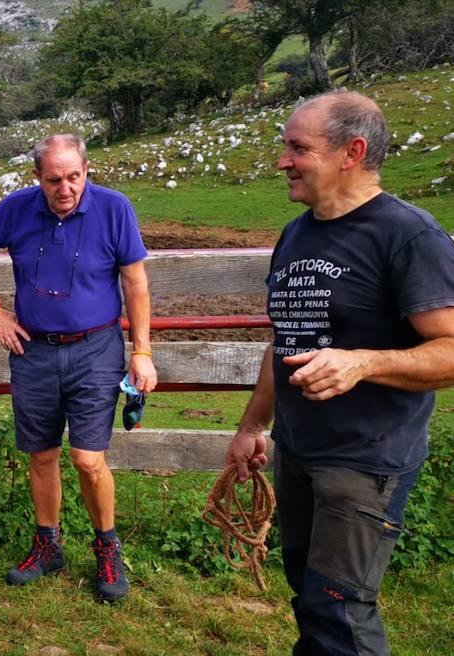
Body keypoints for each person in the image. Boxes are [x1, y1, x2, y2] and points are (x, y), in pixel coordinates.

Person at [224, 91, 454, 655]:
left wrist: (364, 362)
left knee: (340, 611)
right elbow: (286, 340)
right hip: (298, 451)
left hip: (364, 460)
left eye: (298, 148)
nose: (283, 161)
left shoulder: (408, 236)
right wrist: (253, 427)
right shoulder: (296, 233)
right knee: (309, 594)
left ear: (352, 152)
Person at [0, 134, 157, 603]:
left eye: (74, 177)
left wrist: (142, 350)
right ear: (38, 178)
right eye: (54, 179)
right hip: (35, 352)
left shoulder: (114, 208)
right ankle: (47, 545)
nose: (65, 188)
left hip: (96, 348)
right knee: (42, 454)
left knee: (88, 459)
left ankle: (107, 547)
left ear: (86, 170)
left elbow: (135, 280)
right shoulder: (17, 208)